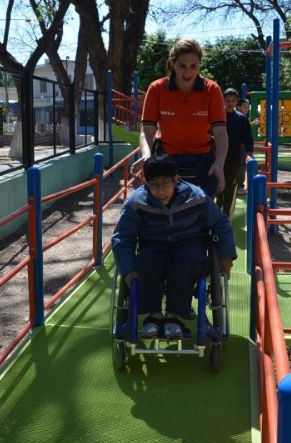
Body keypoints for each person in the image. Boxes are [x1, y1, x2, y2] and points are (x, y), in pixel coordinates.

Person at [112, 155, 237, 340]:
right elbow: (123, 236)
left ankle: (175, 316)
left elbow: (221, 223)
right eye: (154, 184)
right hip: (154, 245)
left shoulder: (197, 197)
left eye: (165, 184)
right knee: (145, 261)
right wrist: (128, 270)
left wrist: (226, 255)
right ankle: (153, 316)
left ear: (176, 179)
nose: (160, 191)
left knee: (186, 261)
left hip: (189, 244)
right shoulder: (136, 203)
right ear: (146, 183)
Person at [132, 39, 229, 198]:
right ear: (173, 63)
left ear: (199, 65)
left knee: (201, 211)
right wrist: (146, 155)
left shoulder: (212, 90)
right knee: (165, 211)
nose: (188, 72)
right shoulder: (157, 89)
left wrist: (219, 163)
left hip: (203, 161)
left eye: (194, 66)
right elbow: (147, 131)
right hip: (167, 159)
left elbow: (220, 132)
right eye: (182, 65)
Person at [215, 88, 253, 216]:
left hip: (234, 158)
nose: (230, 103)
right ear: (222, 101)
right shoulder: (216, 117)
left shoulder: (241, 119)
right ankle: (216, 213)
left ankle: (226, 215)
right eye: (227, 100)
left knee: (230, 188)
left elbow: (247, 137)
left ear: (237, 102)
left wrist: (248, 152)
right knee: (218, 188)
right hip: (217, 159)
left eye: (233, 100)